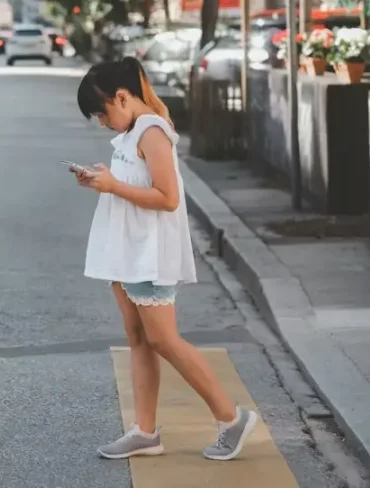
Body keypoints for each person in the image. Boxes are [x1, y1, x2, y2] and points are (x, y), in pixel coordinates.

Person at [73, 58, 259, 462]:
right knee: (138, 340)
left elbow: (168, 198)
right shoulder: (131, 131)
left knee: (163, 340)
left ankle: (232, 419)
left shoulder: (152, 131)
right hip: (126, 251)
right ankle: (145, 432)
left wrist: (113, 185)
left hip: (148, 253)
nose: (102, 122)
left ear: (121, 97)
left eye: (102, 113)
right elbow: (134, 183)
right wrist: (102, 181)